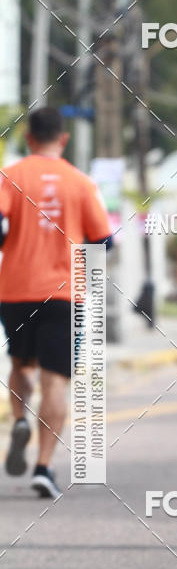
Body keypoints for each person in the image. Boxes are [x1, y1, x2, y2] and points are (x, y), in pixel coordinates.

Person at [0, 107, 112, 499]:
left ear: (29, 138)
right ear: (62, 139)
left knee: (20, 365)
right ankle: (43, 467)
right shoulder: (80, 183)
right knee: (56, 381)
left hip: (15, 290)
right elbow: (103, 240)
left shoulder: (11, 176)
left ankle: (18, 419)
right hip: (66, 293)